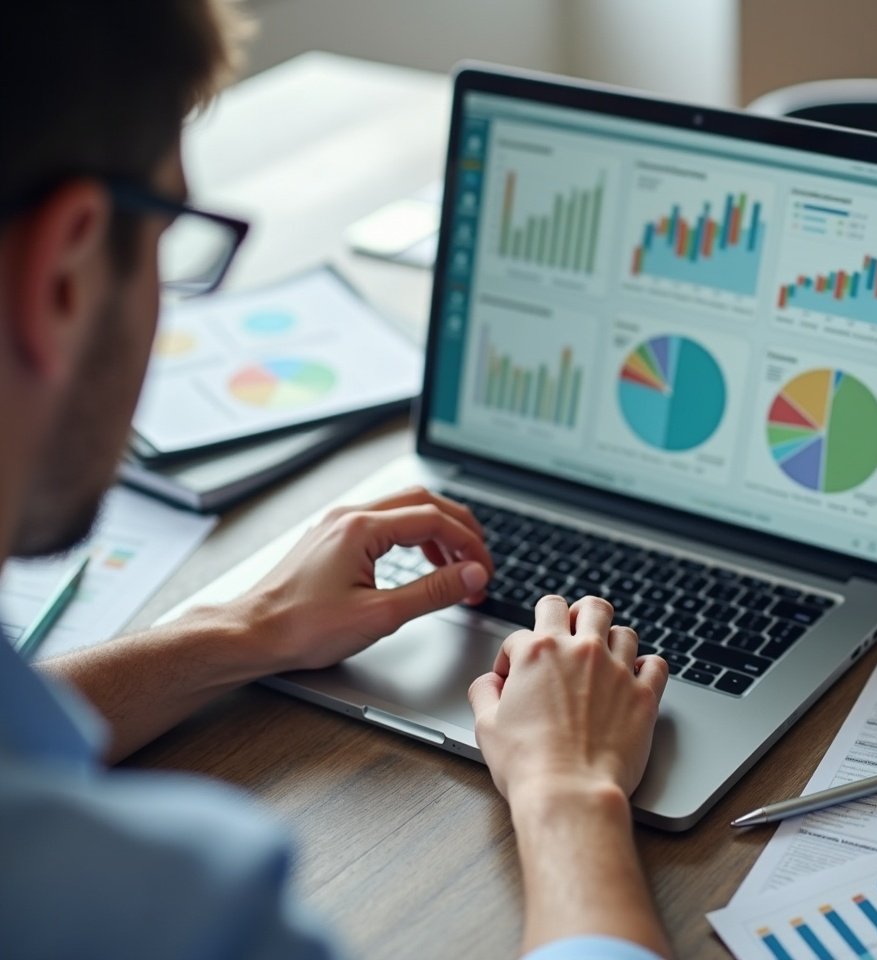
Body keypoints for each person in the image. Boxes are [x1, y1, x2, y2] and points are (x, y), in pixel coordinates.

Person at [0, 3, 671, 958]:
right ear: (66, 270)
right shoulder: (171, 908)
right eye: (169, 241)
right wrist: (570, 790)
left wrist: (236, 631)